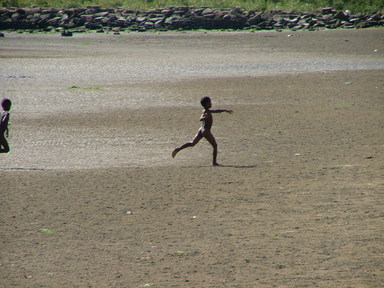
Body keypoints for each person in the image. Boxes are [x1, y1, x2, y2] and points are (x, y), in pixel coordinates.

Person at [172, 96, 233, 166]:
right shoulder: (206, 112)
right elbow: (201, 118)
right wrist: (203, 118)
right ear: (206, 104)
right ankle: (214, 162)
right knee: (215, 145)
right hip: (205, 131)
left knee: (192, 143)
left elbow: (216, 111)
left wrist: (225, 110)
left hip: (201, 130)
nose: (211, 103)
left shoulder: (207, 110)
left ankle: (178, 149)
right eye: (210, 102)